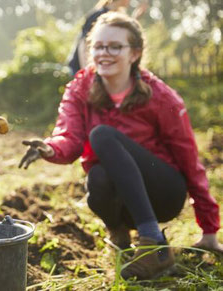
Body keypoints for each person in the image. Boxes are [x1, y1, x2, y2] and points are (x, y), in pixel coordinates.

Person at [19, 12, 222, 280]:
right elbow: (69, 136)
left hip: (163, 193)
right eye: (99, 46)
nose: (105, 53)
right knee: (98, 176)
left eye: (115, 46)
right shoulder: (80, 89)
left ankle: (152, 243)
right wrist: (49, 148)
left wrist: (209, 230)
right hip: (120, 200)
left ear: (135, 53)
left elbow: (189, 161)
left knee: (102, 135)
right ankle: (121, 234)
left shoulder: (161, 97)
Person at [67, 0, 148, 76]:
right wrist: (87, 73)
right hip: (82, 68)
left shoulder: (117, 16)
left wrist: (136, 17)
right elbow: (83, 45)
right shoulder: (97, 15)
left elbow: (125, 35)